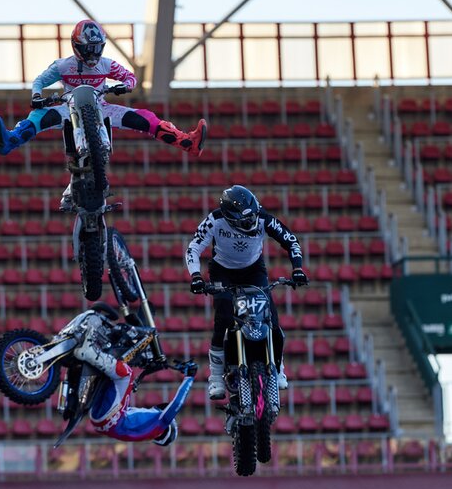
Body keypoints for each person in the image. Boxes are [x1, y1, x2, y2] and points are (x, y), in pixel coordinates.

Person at [0, 19, 208, 212]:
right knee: (38, 115)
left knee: (146, 117)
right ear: (77, 47)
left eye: (97, 48)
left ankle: (187, 141)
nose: (93, 55)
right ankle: (10, 140)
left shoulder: (106, 64)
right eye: (88, 49)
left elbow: (129, 76)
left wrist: (125, 86)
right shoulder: (63, 65)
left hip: (101, 105)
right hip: (69, 105)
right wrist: (37, 96)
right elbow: (39, 81)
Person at [185, 185, 309, 400]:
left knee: (271, 318)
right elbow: (193, 247)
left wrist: (297, 268)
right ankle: (215, 377)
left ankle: (278, 369)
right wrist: (196, 276)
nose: (250, 223)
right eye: (244, 222)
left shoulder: (263, 218)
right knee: (223, 316)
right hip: (223, 270)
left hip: (253, 270)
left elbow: (290, 240)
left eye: (251, 218)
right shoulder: (215, 220)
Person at [68, 303, 196, 445]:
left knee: (126, 374)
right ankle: (89, 358)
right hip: (101, 421)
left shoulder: (161, 424)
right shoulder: (145, 431)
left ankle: (90, 353)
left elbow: (177, 403)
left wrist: (189, 377)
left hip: (110, 418)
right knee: (113, 377)